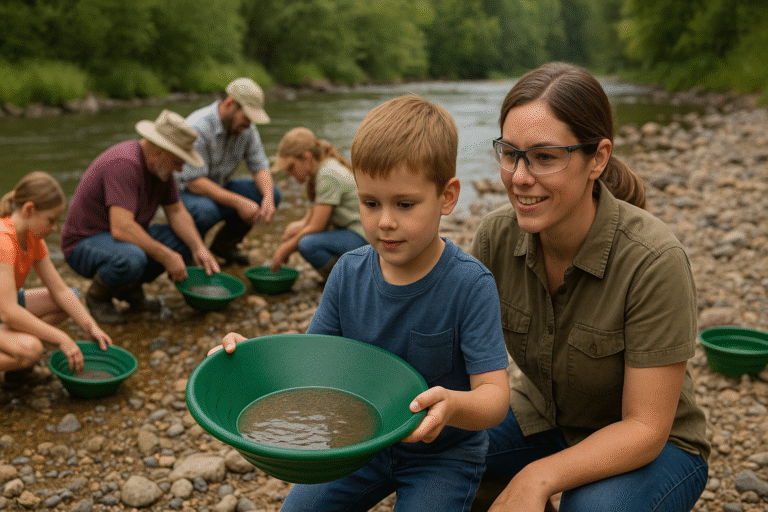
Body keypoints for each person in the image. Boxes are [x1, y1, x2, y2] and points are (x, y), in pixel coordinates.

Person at [215, 95, 511, 511]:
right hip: (356, 441)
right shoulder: (348, 272)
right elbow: (309, 364)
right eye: (370, 203)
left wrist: (452, 405)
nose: (385, 221)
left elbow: (495, 399)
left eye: (404, 204)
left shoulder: (470, 284)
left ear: (447, 197)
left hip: (441, 455)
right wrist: (250, 358)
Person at [469, 62, 710, 512]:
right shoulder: (494, 239)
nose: (520, 177)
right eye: (510, 153)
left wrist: (537, 476)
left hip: (655, 445)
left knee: (592, 507)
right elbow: (460, 365)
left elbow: (645, 429)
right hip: (540, 418)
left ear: (597, 159)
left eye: (545, 157)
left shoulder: (654, 261)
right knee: (436, 453)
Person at [61, 110, 220, 325]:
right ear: (160, 151)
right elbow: (122, 228)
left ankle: (130, 290)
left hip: (117, 239)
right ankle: (98, 298)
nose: (181, 168)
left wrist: (198, 248)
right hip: (84, 243)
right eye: (177, 161)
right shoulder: (125, 164)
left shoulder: (161, 168)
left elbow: (176, 211)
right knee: (132, 257)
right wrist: (166, 256)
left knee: (182, 242)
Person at [1, 172, 112, 386]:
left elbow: (61, 292)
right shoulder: (3, 241)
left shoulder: (33, 238)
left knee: (71, 299)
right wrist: (61, 338)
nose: (54, 228)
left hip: (4, 309)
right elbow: (8, 312)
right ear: (29, 210)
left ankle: (14, 357)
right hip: (4, 310)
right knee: (31, 349)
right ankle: (19, 355)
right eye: (51, 220)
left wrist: (91, 327)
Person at [177, 77, 281, 266]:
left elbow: (260, 166)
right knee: (205, 211)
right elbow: (195, 183)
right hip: (186, 193)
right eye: (247, 117)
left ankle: (223, 246)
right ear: (230, 104)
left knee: (271, 192)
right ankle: (190, 254)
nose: (249, 124)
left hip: (218, 186)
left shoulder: (246, 128)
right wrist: (240, 202)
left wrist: (268, 198)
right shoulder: (197, 128)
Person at [270, 127, 367, 280]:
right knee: (302, 237)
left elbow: (317, 226)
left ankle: (344, 281)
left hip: (363, 237)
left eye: (291, 167)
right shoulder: (321, 170)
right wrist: (298, 227)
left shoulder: (327, 174)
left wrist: (285, 250)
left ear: (307, 158)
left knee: (307, 244)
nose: (288, 173)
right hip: (351, 232)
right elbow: (312, 219)